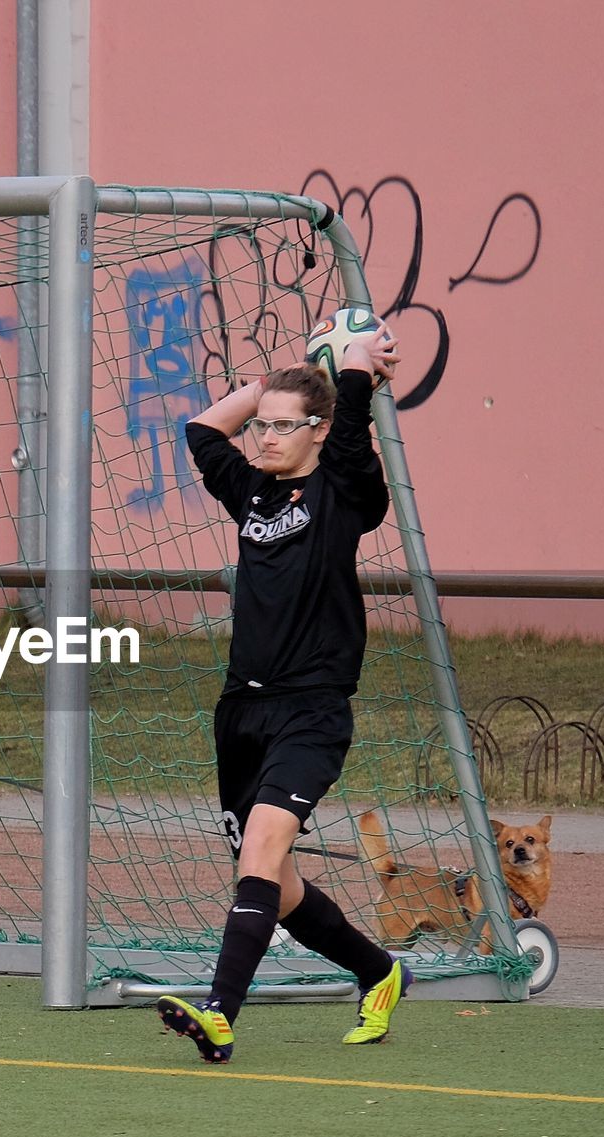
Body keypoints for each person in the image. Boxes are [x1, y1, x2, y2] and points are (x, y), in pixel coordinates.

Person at [157, 326, 410, 1061]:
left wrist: (352, 372)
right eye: (259, 425)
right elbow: (203, 430)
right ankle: (378, 971)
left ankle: (218, 1012)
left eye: (279, 426)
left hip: (311, 709)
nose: (262, 437)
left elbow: (353, 437)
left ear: (319, 430)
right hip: (240, 713)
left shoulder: (342, 490)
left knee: (263, 847)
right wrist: (285, 374)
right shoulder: (252, 494)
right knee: (277, 883)